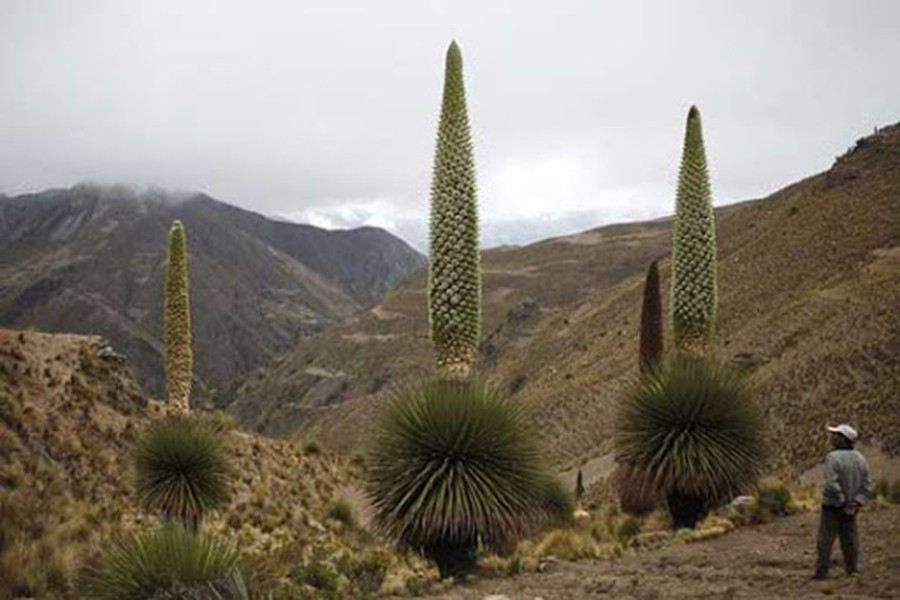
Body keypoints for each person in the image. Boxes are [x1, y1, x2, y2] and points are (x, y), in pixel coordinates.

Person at [813, 424, 874, 580]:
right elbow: (867, 485)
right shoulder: (861, 459)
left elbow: (831, 483)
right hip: (851, 507)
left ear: (843, 439)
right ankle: (852, 569)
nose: (832, 438)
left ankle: (822, 571)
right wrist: (856, 502)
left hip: (832, 505)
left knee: (825, 539)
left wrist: (842, 500)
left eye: (836, 435)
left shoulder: (833, 457)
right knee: (850, 538)